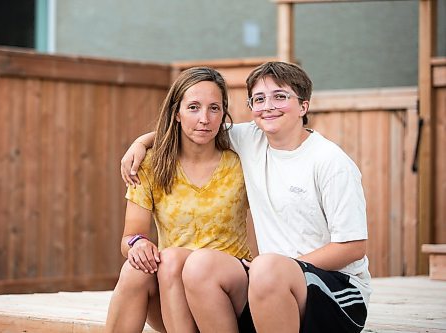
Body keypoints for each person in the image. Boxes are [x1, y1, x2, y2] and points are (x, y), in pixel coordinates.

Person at [120, 61, 371, 333]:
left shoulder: (330, 162)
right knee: (200, 265)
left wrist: (285, 266)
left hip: (338, 293)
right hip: (268, 284)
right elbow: (189, 131)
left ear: (303, 106)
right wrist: (141, 143)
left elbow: (353, 247)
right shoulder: (251, 139)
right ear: (251, 108)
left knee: (266, 267)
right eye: (259, 99)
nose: (269, 106)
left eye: (280, 96)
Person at [104, 66, 254, 333]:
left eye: (214, 108)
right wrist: (137, 245)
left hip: (227, 291)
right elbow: (130, 238)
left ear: (223, 114)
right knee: (135, 269)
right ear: (177, 113)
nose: (204, 119)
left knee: (172, 258)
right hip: (172, 296)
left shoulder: (241, 162)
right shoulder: (150, 165)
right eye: (194, 107)